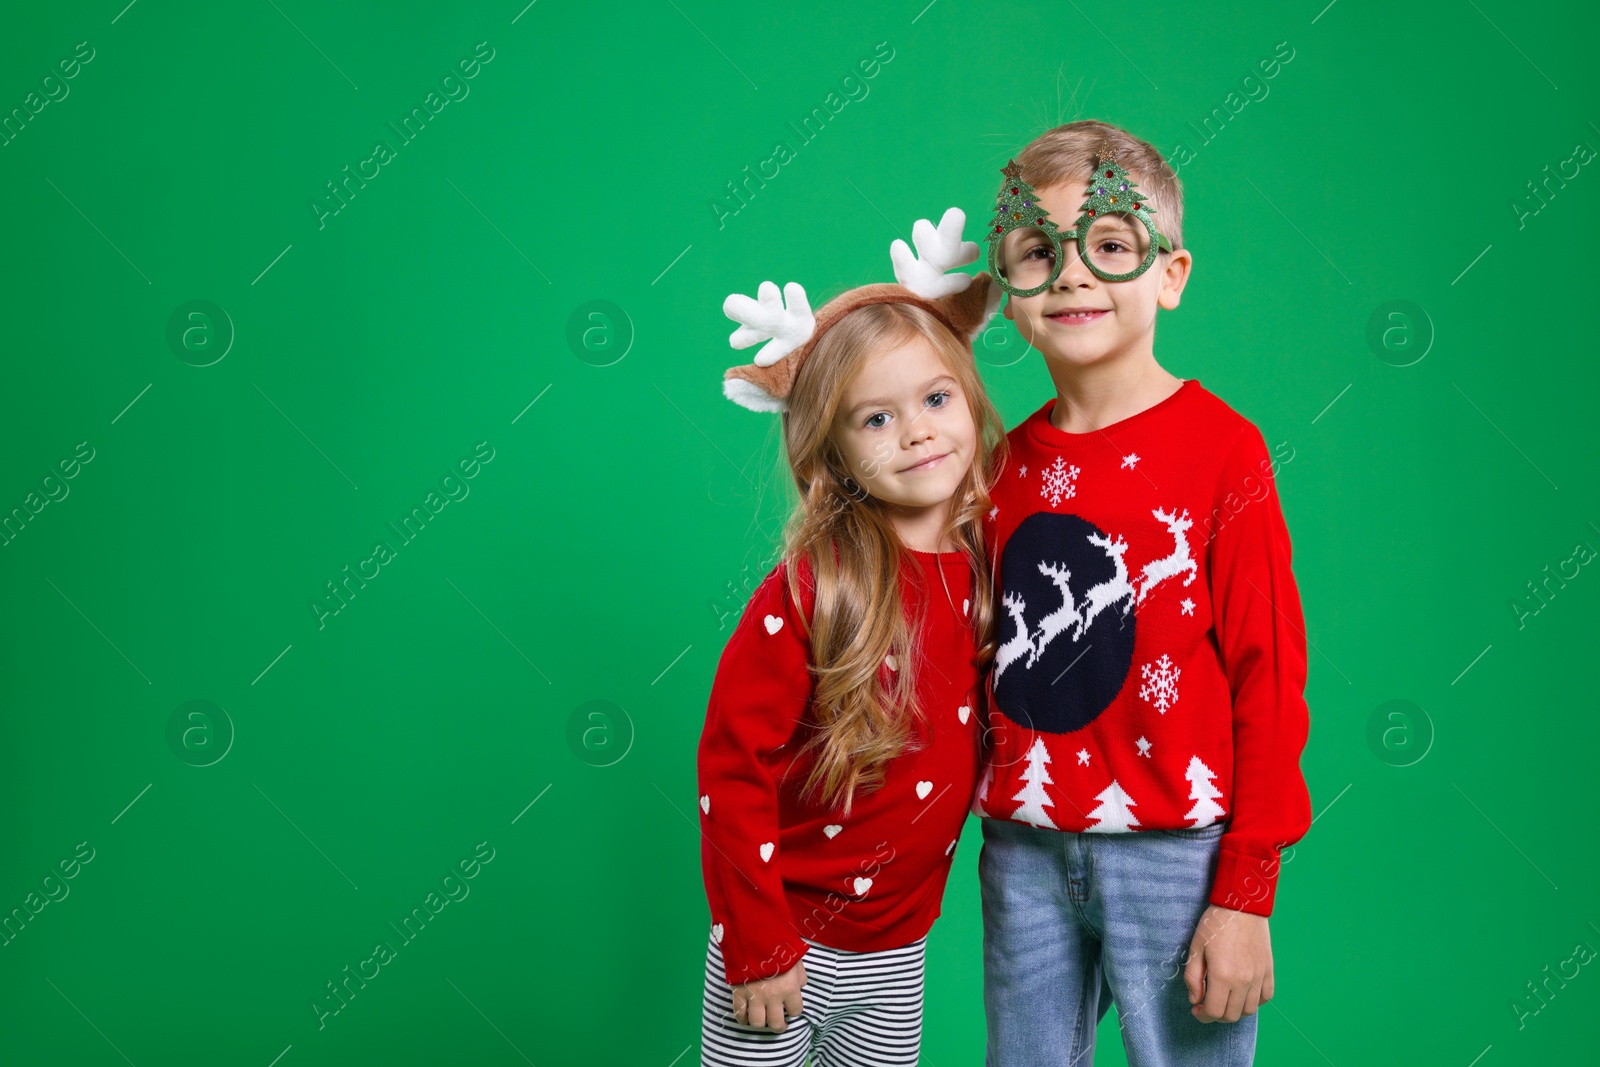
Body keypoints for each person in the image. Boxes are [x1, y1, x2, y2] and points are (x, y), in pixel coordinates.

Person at [974, 120, 1313, 1066]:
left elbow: (1269, 675)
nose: (1075, 272)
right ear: (1011, 298)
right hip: (1023, 851)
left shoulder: (1222, 452)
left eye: (1111, 246)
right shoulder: (992, 469)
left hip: (1177, 855)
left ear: (1171, 273)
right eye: (1040, 252)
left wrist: (1245, 890)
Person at [696, 209, 1006, 1066]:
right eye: (875, 419)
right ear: (832, 455)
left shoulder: (989, 565)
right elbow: (731, 761)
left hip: (895, 951)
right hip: (779, 942)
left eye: (936, 398)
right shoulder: (813, 587)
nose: (915, 431)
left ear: (969, 400)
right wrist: (756, 944)